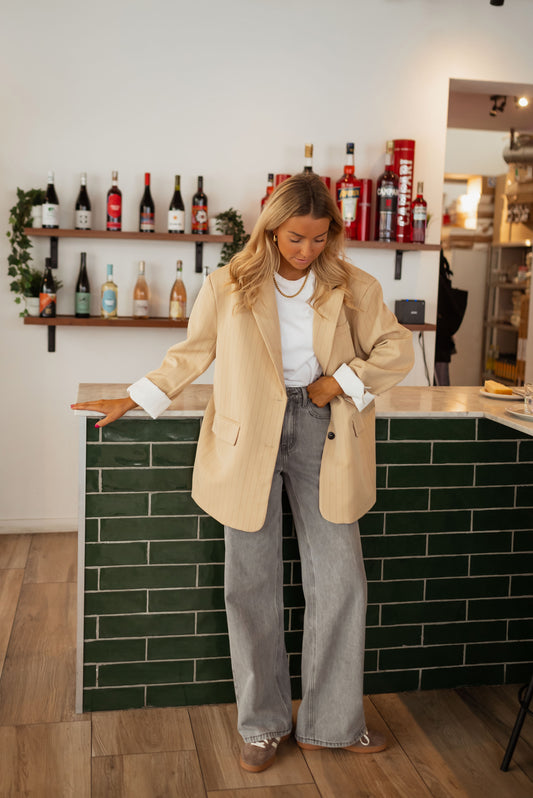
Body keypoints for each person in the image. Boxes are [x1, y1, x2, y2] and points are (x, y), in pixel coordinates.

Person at [72, 172, 414, 773]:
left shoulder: (352, 284)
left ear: (331, 233)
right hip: (247, 433)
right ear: (271, 229)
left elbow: (396, 348)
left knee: (342, 582)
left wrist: (341, 381)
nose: (306, 251)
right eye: (294, 239)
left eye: (317, 239)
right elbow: (193, 352)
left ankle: (331, 726)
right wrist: (134, 396)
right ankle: (261, 726)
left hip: (323, 431)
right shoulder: (230, 283)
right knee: (249, 585)